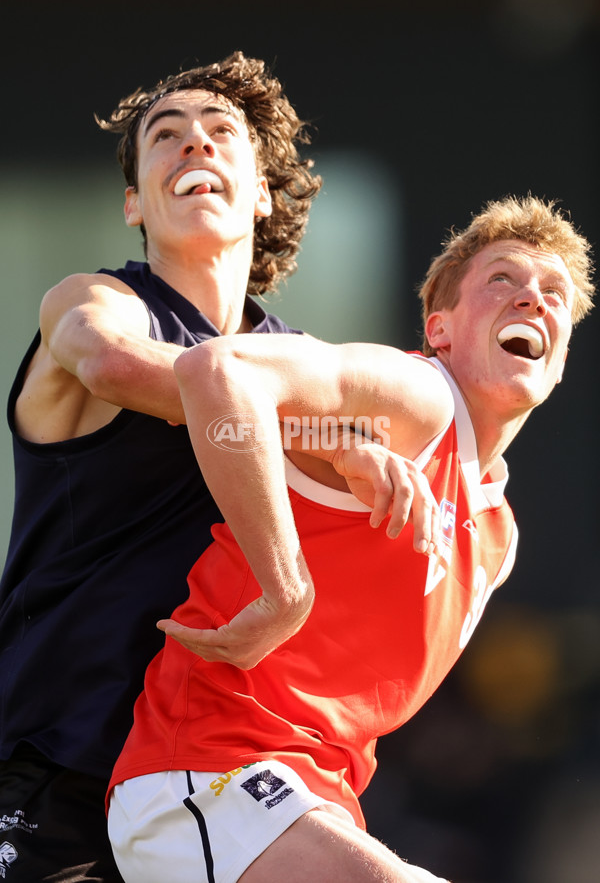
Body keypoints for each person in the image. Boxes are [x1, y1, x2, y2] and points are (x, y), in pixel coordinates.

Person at [105, 195, 595, 883]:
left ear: (562, 360)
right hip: (205, 778)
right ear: (441, 328)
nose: (531, 300)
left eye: (553, 295)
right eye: (503, 281)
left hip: (311, 804)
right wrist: (286, 589)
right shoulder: (420, 395)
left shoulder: (497, 534)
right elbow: (217, 372)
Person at [0, 51, 333, 882]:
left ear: (261, 191)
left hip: (206, 778)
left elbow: (375, 426)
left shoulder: (289, 358)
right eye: (167, 136)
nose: (194, 146)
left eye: (222, 133)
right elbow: (113, 366)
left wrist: (360, 444)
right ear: (131, 203)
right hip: (58, 760)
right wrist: (327, 445)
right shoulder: (95, 302)